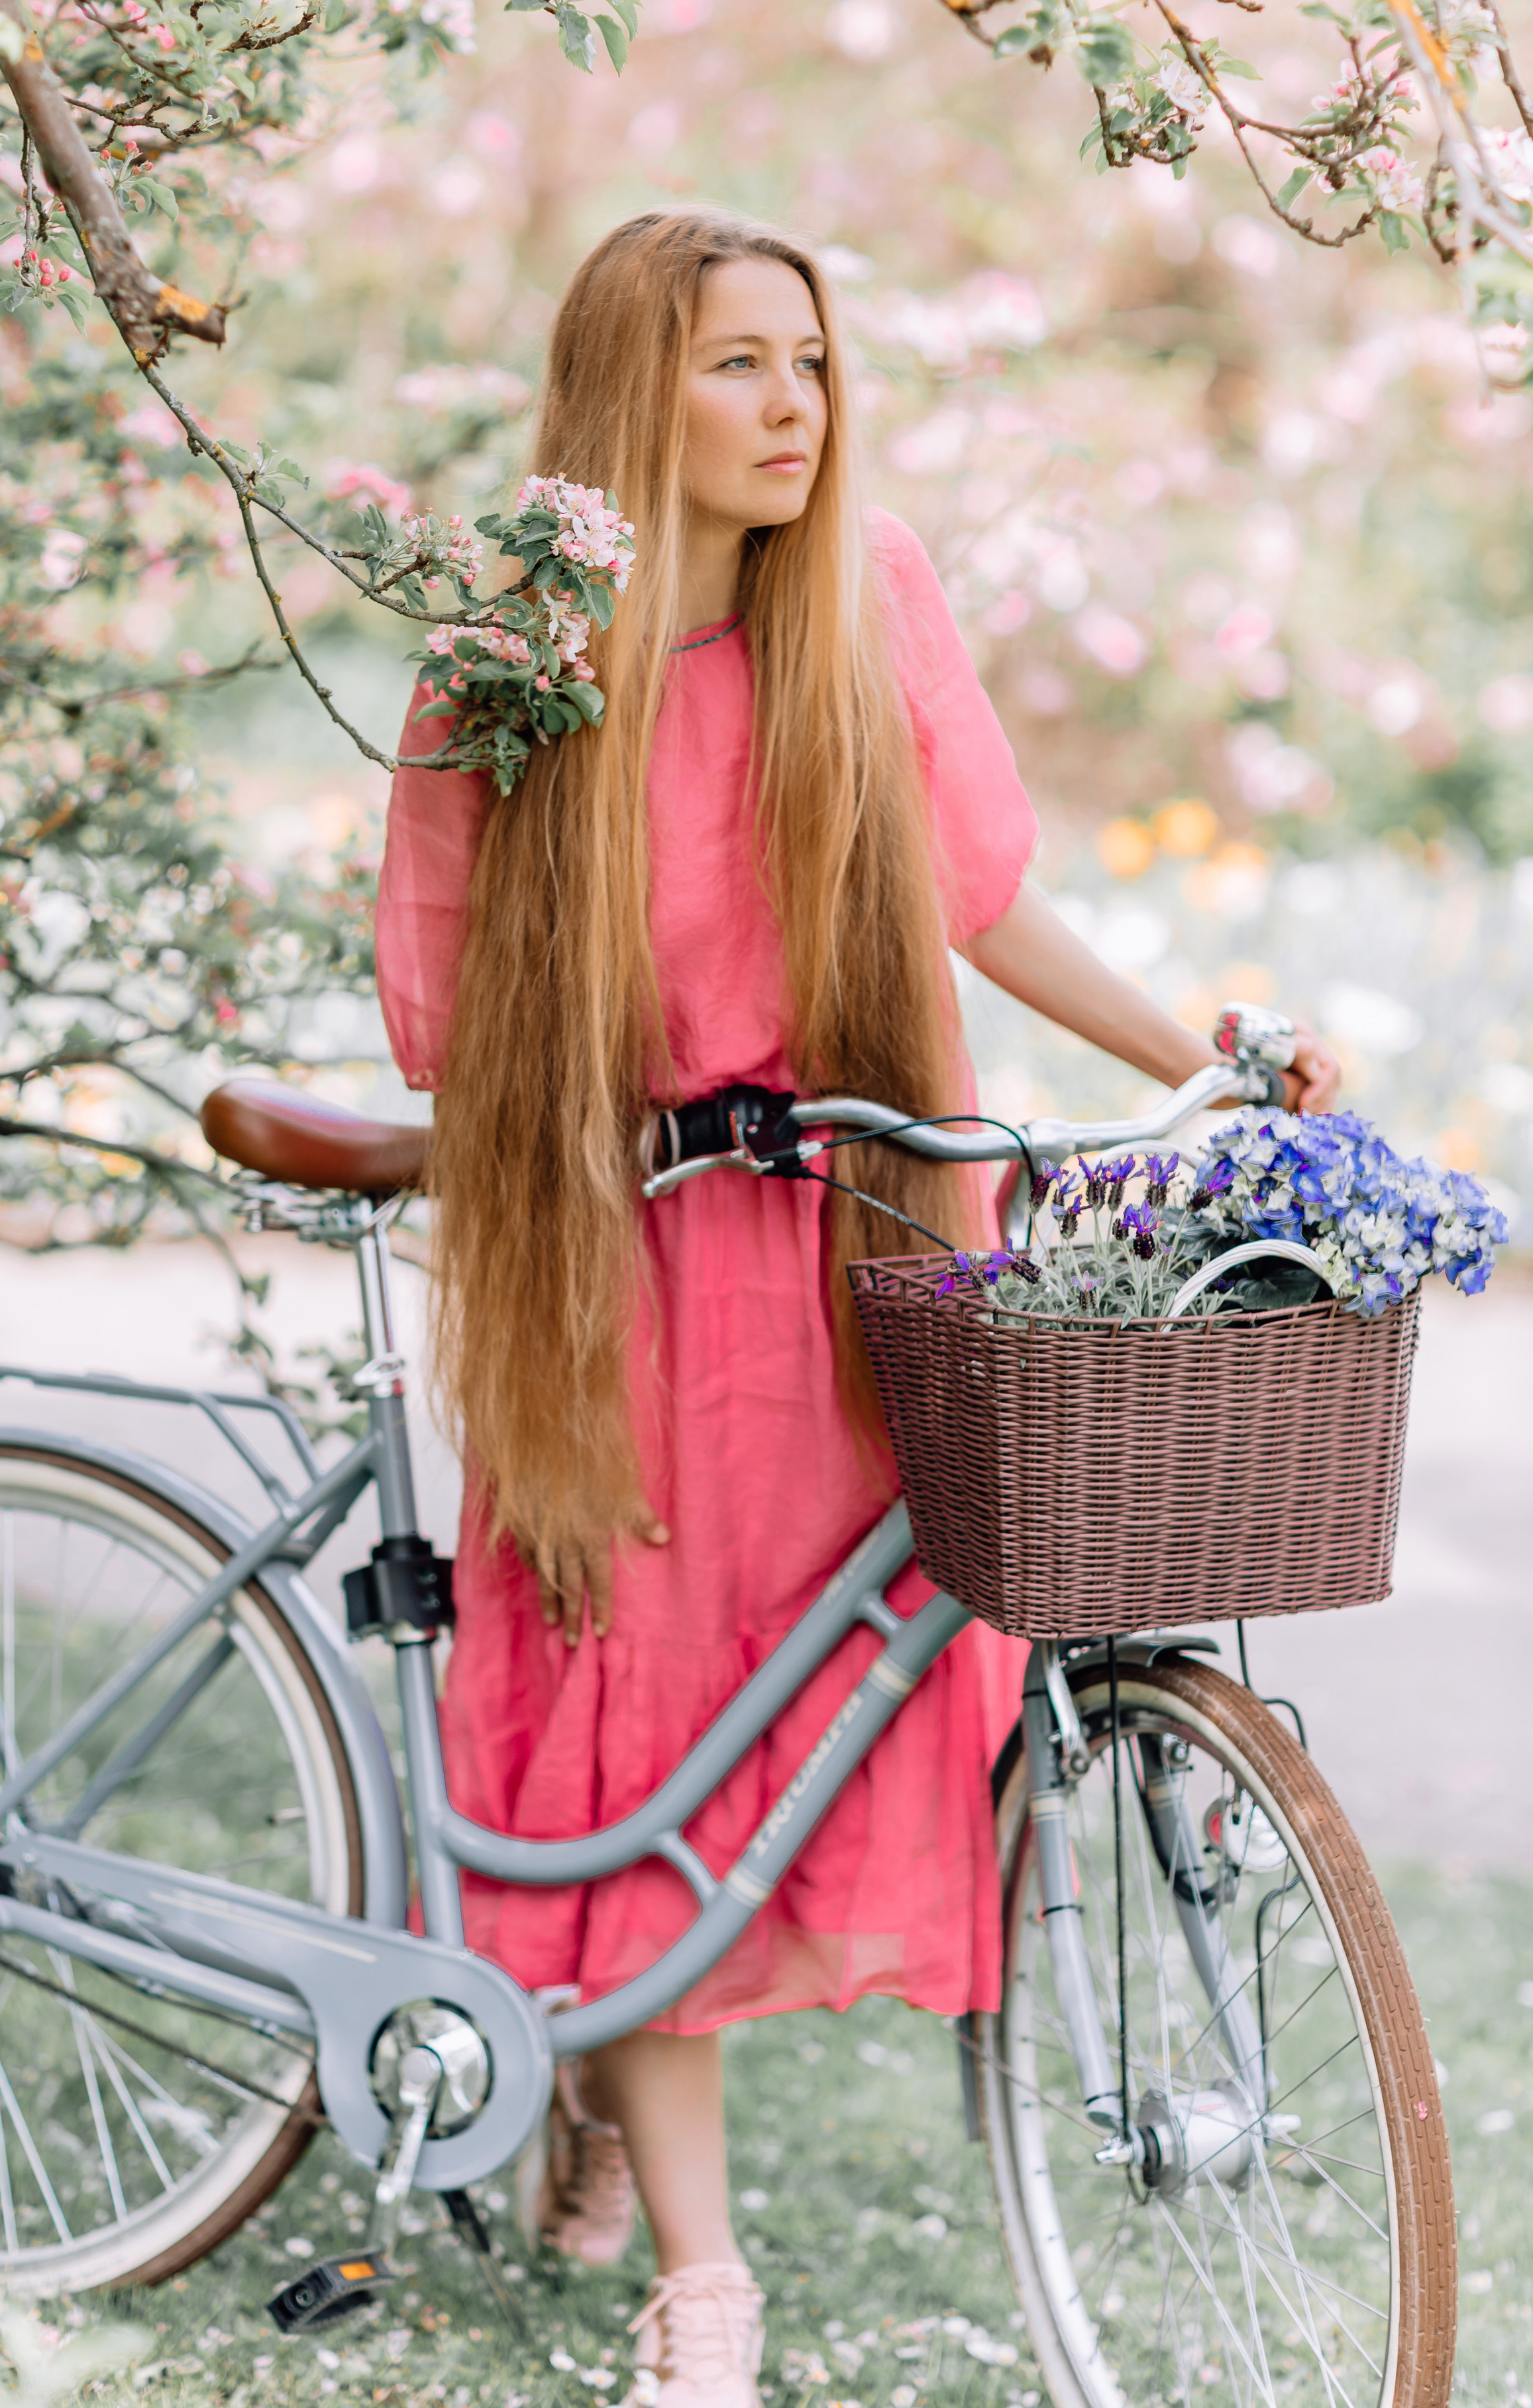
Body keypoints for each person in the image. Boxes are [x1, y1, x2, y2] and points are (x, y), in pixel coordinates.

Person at [375, 207, 1340, 2408]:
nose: (789, 405)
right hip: (618, 1272)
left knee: (822, 1705)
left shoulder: (867, 597)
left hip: (859, 1257)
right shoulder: (519, 647)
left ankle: (611, 2098)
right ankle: (702, 2281)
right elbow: (439, 1004)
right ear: (638, 391)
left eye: (808, 361)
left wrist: (1197, 1035)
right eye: (735, 366)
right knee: (640, 1737)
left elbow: (984, 898)